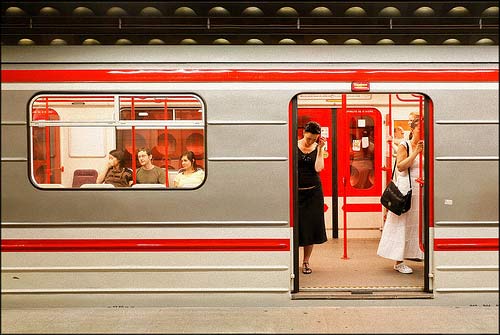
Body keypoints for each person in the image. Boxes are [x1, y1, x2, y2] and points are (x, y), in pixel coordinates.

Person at [377, 118, 424, 273]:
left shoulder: (428, 146)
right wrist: (416, 152)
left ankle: (419, 253)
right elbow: (401, 167)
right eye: (419, 129)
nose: (422, 132)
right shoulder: (406, 145)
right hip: (407, 189)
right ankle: (398, 261)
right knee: (403, 224)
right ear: (412, 130)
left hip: (421, 189)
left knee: (418, 224)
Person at [297, 121, 328, 274]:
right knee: (297, 227)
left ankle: (306, 261)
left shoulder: (318, 147)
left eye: (313, 139)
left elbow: (319, 168)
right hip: (296, 193)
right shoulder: (293, 145)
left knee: (310, 228)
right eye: (308, 138)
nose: (310, 141)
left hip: (313, 193)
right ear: (304, 133)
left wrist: (321, 148)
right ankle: (292, 259)